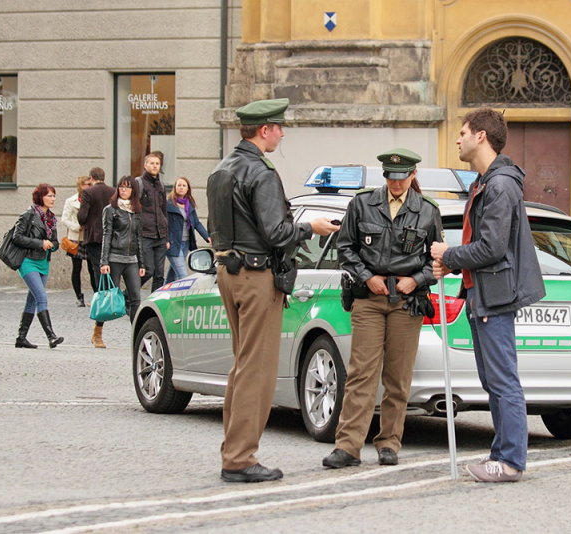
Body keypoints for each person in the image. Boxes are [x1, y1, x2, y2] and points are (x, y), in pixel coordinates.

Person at [206, 97, 340, 483]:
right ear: (263, 130)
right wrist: (310, 227)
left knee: (242, 365)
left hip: (228, 273)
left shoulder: (222, 169)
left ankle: (233, 451)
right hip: (256, 276)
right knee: (257, 371)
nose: (282, 133)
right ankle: (239, 458)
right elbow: (278, 233)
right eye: (279, 127)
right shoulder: (261, 173)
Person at [430, 108, 545, 483]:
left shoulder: (499, 184)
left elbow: (492, 247)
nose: (457, 139)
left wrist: (448, 256)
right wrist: (454, 264)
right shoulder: (486, 182)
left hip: (493, 295)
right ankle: (501, 455)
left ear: (481, 136)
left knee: (502, 379)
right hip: (483, 293)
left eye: (463, 132)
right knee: (494, 379)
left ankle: (510, 461)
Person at [322, 148, 442, 470]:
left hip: (407, 301)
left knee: (398, 377)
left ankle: (389, 442)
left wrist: (415, 280)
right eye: (391, 177)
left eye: (402, 177)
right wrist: (367, 276)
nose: (397, 183)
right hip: (369, 299)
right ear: (384, 176)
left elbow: (437, 261)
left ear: (413, 176)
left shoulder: (428, 211)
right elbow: (345, 247)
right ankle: (348, 446)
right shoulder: (362, 204)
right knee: (362, 373)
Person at [12, 183, 64, 349]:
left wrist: (52, 245)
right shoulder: (28, 215)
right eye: (49, 195)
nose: (53, 199)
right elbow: (17, 237)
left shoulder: (51, 218)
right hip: (27, 261)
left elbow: (55, 243)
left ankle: (21, 338)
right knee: (41, 296)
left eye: (54, 195)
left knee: (33, 300)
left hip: (43, 262)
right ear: (40, 197)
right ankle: (51, 336)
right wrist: (40, 243)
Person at [100, 176, 146, 323]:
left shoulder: (136, 210)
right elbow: (106, 235)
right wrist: (104, 262)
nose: (123, 190)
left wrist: (142, 263)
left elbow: (138, 237)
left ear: (133, 190)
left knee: (136, 298)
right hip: (114, 258)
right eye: (121, 187)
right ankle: (98, 329)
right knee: (109, 297)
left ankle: (136, 336)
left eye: (127, 187)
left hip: (132, 259)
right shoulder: (110, 210)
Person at [78, 167, 115, 348]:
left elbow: (82, 217)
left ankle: (98, 329)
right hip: (113, 240)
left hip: (94, 240)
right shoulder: (113, 192)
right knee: (108, 280)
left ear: (92, 178)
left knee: (99, 281)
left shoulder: (88, 193)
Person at [60, 175, 97, 306]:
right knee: (77, 268)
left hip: (89, 237)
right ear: (81, 186)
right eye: (87, 184)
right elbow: (64, 218)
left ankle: (96, 297)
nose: (89, 186)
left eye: (90, 184)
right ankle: (79, 297)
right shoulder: (71, 200)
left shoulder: (93, 199)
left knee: (93, 268)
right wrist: (76, 227)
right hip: (75, 238)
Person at [165, 176, 210, 282]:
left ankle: (164, 294)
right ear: (175, 187)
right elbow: (164, 224)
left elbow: (197, 223)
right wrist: (166, 240)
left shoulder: (189, 205)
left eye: (184, 185)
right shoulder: (168, 205)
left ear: (187, 189)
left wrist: (207, 237)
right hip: (173, 243)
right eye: (179, 185)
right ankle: (185, 296)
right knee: (183, 275)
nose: (181, 187)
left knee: (173, 274)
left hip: (185, 243)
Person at [136, 153, 169, 292]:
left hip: (160, 235)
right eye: (152, 163)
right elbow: (134, 208)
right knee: (148, 270)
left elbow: (164, 211)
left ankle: (155, 303)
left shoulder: (161, 184)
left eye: (157, 163)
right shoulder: (139, 183)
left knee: (159, 274)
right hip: (145, 234)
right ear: (145, 165)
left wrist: (167, 237)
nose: (155, 166)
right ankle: (128, 296)